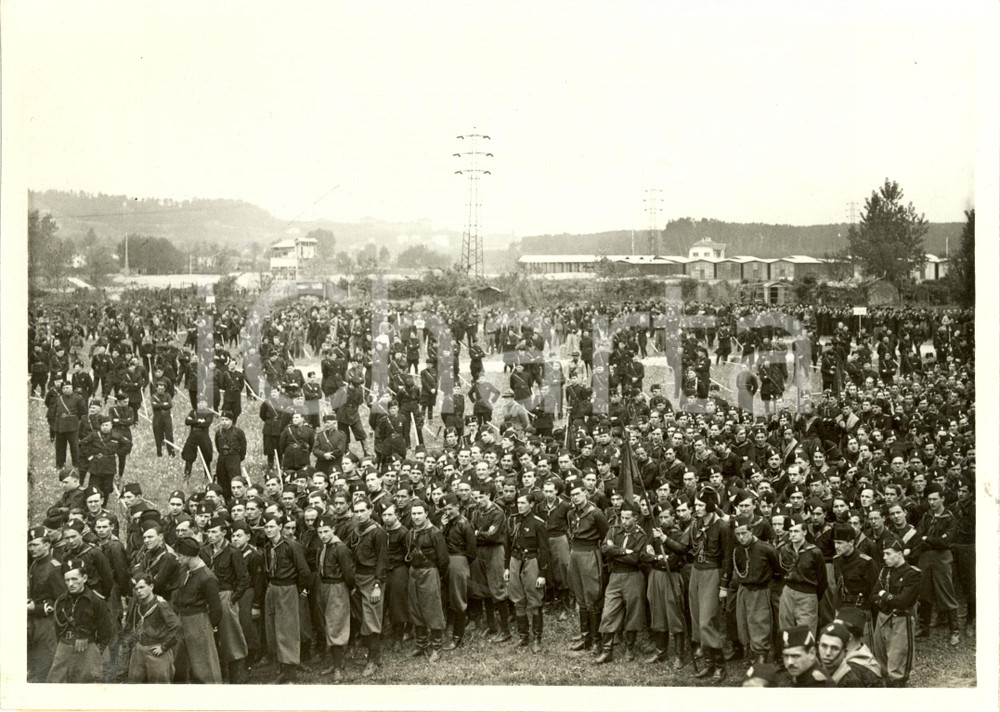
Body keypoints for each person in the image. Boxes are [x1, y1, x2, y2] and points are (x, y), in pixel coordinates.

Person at [687, 488, 733, 681]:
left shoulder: (722, 527)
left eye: (700, 505)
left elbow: (727, 559)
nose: (696, 508)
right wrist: (664, 540)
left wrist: (723, 586)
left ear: (710, 505)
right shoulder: (695, 524)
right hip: (696, 572)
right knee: (698, 620)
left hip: (712, 573)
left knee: (707, 621)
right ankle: (708, 663)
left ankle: (720, 666)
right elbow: (685, 547)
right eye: (695, 504)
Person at [261, 512, 311, 683]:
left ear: (280, 527)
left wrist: (299, 590)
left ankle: (289, 671)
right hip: (273, 588)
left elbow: (304, 571)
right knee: (274, 628)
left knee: (287, 629)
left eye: (272, 526)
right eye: (266, 527)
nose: (268, 530)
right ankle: (281, 666)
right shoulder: (268, 547)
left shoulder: (291, 546)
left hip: (287, 588)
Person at [595, 499, 646, 663]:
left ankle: (629, 649)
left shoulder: (641, 535)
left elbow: (635, 558)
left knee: (633, 612)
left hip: (633, 576)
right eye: (622, 518)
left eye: (627, 518)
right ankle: (607, 650)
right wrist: (624, 551)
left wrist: (614, 550)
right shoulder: (613, 530)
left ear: (636, 518)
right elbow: (604, 549)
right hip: (615, 576)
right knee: (608, 611)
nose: (623, 521)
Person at [47, 558, 113, 683]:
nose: (70, 584)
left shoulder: (96, 601)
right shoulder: (61, 601)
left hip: (87, 649)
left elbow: (106, 631)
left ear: (84, 578)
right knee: (54, 683)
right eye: (67, 580)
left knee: (86, 686)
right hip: (64, 647)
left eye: (74, 579)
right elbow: (58, 628)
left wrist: (94, 650)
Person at [200, 517, 250, 683]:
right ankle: (219, 675)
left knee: (231, 637)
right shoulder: (205, 550)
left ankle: (238, 677)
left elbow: (244, 579)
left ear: (223, 532)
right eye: (209, 532)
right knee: (211, 637)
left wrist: (232, 599)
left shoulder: (233, 552)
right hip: (208, 597)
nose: (211, 535)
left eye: (215, 532)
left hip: (225, 595)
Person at [170, 535, 223, 684]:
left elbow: (216, 609)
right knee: (180, 660)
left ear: (188, 556)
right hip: (182, 619)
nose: (177, 558)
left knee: (204, 663)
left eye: (179, 555)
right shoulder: (185, 570)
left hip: (198, 621)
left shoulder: (207, 577)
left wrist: (206, 626)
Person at [914, 482, 961, 645]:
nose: (932, 502)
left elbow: (947, 542)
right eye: (929, 499)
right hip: (926, 558)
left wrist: (929, 540)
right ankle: (924, 627)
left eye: (935, 499)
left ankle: (954, 630)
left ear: (942, 499)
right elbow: (920, 537)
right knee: (924, 591)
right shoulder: (926, 516)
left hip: (942, 559)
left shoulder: (949, 518)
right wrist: (931, 541)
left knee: (946, 591)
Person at [730, 514, 779, 668]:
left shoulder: (766, 549)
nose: (741, 537)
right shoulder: (737, 550)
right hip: (743, 589)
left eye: (744, 533)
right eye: (737, 534)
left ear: (751, 531)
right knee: (743, 622)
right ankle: (750, 652)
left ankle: (761, 655)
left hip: (760, 589)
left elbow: (777, 570)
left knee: (760, 622)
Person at [872, 537, 921, 687]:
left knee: (897, 664)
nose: (884, 557)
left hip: (901, 619)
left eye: (888, 553)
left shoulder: (912, 574)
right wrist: (884, 597)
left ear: (900, 554)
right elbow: (873, 594)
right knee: (880, 661)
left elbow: (902, 602)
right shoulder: (885, 570)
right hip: (883, 617)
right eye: (884, 554)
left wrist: (883, 594)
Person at [347, 497, 388, 678]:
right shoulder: (356, 531)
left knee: (372, 619)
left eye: (363, 510)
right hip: (358, 577)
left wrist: (378, 585)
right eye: (356, 511)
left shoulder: (377, 532)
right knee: (362, 617)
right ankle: (374, 655)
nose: (360, 514)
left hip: (372, 578)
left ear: (370, 510)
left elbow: (382, 560)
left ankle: (373, 659)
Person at [405, 499, 450, 661]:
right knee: (415, 607)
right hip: (414, 572)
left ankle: (436, 647)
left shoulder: (435, 533)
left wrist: (436, 574)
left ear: (426, 514)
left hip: (429, 571)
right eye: (413, 514)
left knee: (432, 608)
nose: (416, 517)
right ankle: (421, 644)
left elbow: (444, 559)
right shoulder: (411, 532)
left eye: (419, 513)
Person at [567, 482, 609, 654]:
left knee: (592, 596)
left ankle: (597, 640)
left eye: (578, 493)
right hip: (575, 553)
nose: (575, 497)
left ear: (585, 493)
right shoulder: (571, 513)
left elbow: (606, 536)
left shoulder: (596, 514)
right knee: (580, 596)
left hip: (590, 553)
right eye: (572, 495)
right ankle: (585, 637)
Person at [505, 493, 550, 653]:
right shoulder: (513, 520)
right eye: (518, 502)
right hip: (515, 561)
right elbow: (508, 544)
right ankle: (523, 637)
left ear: (531, 504)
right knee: (518, 599)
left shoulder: (539, 524)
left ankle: (537, 638)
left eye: (523, 503)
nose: (520, 505)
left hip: (531, 562)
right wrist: (506, 567)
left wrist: (542, 574)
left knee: (535, 599)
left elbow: (545, 550)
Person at [314, 513, 356, 682]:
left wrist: (350, 588)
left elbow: (348, 573)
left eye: (326, 531)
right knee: (326, 623)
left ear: (333, 529)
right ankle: (333, 663)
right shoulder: (323, 547)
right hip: (323, 586)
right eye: (320, 532)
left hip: (337, 587)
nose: (323, 535)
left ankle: (338, 668)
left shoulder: (340, 548)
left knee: (336, 625)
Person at [469, 482, 511, 642]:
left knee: (498, 588)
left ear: (488, 495)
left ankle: (505, 630)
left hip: (494, 550)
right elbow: (472, 533)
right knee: (485, 588)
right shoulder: (475, 513)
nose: (477, 500)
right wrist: (481, 533)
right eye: (475, 497)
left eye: (481, 496)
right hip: (480, 551)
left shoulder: (497, 512)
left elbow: (493, 536)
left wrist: (478, 533)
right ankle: (492, 625)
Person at [123, 572, 182, 683]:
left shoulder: (161, 605)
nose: (139, 591)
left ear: (151, 587)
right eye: (136, 589)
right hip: (139, 649)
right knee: (134, 684)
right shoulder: (137, 604)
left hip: (156, 651)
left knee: (159, 687)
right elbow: (131, 625)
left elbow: (177, 627)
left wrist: (164, 647)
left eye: (142, 587)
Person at [28, 526, 67, 682]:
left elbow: (62, 600)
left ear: (46, 545)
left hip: (49, 623)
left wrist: (37, 608)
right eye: (30, 545)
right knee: (32, 662)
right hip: (33, 620)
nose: (32, 548)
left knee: (46, 663)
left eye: (36, 544)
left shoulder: (54, 568)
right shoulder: (34, 565)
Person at [776, 519, 827, 634]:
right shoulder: (785, 550)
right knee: (786, 630)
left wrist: (811, 595)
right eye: (790, 531)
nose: (793, 534)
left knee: (806, 633)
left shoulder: (815, 552)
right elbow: (783, 571)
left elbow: (822, 580)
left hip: (807, 595)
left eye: (796, 531)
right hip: (788, 592)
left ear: (804, 532)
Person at [441, 492, 476, 650]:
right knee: (449, 598)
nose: (447, 512)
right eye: (445, 509)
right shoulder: (448, 522)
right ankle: (451, 629)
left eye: (449, 508)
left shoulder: (464, 524)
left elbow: (471, 551)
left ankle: (457, 637)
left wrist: (461, 563)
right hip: (447, 560)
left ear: (457, 507)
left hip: (458, 561)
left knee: (458, 599)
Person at [214, 411, 248, 502]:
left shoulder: (238, 432)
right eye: (222, 420)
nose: (224, 422)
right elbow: (217, 445)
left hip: (233, 457)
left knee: (235, 479)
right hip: (222, 458)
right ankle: (226, 499)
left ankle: (239, 499)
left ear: (231, 421)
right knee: (222, 479)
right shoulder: (218, 433)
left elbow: (243, 447)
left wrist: (237, 458)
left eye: (226, 420)